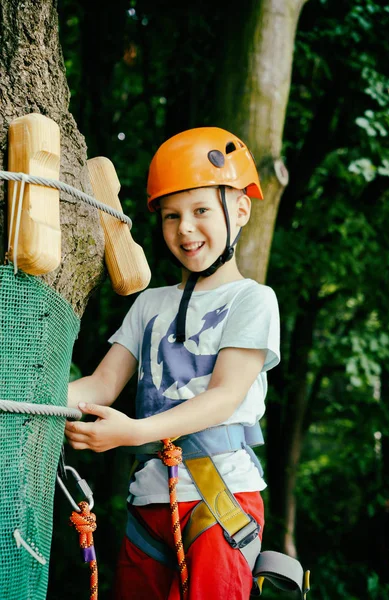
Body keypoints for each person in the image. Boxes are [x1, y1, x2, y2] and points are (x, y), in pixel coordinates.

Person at [65, 127, 281, 600]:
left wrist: (132, 433)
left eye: (201, 210)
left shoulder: (253, 300)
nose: (184, 228)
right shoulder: (150, 305)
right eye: (170, 216)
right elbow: (101, 384)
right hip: (149, 502)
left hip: (220, 498)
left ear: (240, 209)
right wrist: (37, 399)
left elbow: (223, 397)